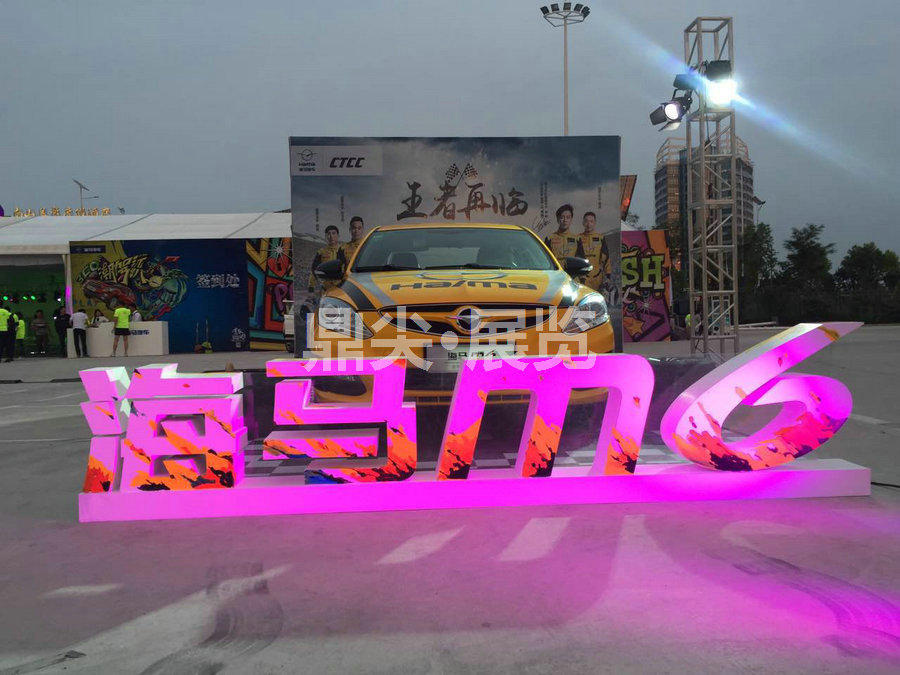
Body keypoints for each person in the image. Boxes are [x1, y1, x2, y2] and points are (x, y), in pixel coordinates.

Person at [575, 211, 610, 291]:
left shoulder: (601, 238)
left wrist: (608, 276)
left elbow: (606, 258)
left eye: (591, 221)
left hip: (598, 278)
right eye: (586, 221)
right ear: (583, 223)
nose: (589, 224)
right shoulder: (577, 238)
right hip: (583, 278)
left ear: (595, 223)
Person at [308, 225, 342, 294]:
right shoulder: (321, 252)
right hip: (326, 290)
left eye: (334, 233)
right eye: (328, 234)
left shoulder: (344, 251)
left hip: (342, 289)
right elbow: (314, 270)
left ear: (338, 235)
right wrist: (311, 287)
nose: (331, 236)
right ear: (326, 236)